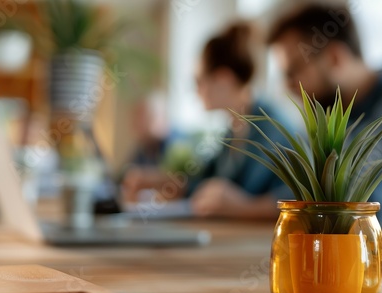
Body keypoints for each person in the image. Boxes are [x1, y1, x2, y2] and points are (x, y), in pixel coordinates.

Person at [267, 4, 382, 241]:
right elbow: (315, 188)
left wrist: (246, 208)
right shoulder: (339, 114)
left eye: (293, 70)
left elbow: (367, 198)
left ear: (335, 57)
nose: (288, 85)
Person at [123, 23, 293, 219]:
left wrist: (245, 207)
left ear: (223, 79)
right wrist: (158, 181)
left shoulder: (272, 126)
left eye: (198, 81)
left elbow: (304, 199)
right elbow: (204, 181)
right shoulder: (234, 130)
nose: (195, 91)